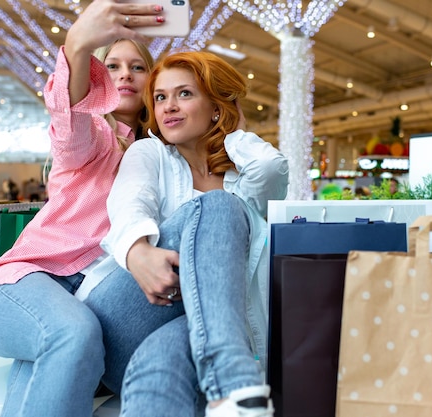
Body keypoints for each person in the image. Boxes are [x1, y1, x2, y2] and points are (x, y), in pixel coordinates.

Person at [0, 1, 166, 416]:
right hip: (23, 281)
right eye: (112, 66)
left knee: (63, 341)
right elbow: (69, 116)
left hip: (87, 298)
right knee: (72, 334)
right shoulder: (92, 136)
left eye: (138, 67)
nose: (125, 74)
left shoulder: (162, 158)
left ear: (153, 83)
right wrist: (78, 46)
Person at [81, 51, 289, 416]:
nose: (169, 107)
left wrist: (234, 133)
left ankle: (234, 402)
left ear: (216, 106)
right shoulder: (149, 153)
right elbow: (130, 204)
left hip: (189, 332)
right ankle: (235, 383)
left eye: (185, 94)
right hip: (123, 317)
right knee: (219, 205)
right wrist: (138, 252)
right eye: (160, 97)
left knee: (164, 358)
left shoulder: (244, 178)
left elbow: (272, 167)